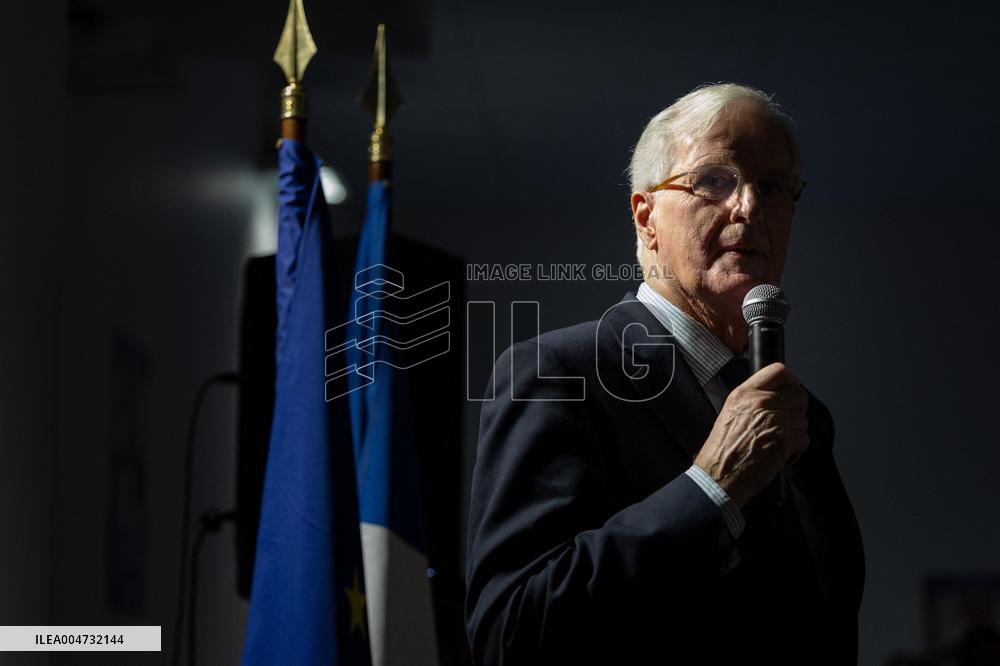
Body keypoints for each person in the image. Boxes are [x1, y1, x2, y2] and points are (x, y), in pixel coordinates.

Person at [464, 83, 865, 665]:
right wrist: (712, 488)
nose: (748, 207)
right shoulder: (559, 373)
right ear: (646, 217)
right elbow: (511, 632)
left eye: (773, 187)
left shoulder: (805, 418)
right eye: (713, 181)